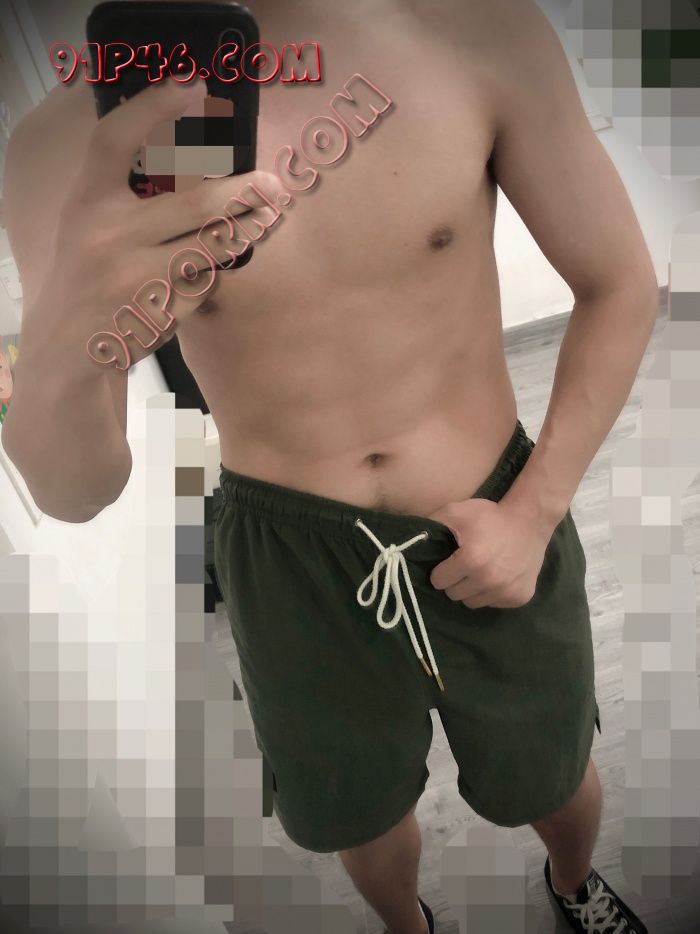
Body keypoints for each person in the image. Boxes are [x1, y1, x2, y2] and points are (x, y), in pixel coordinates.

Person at [2, 1, 658, 932]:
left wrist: (536, 511)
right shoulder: (63, 146)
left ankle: (575, 886)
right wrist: (62, 343)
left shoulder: (474, 31)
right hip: (286, 556)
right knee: (362, 816)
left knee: (552, 775)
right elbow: (74, 493)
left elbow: (620, 283)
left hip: (496, 504)